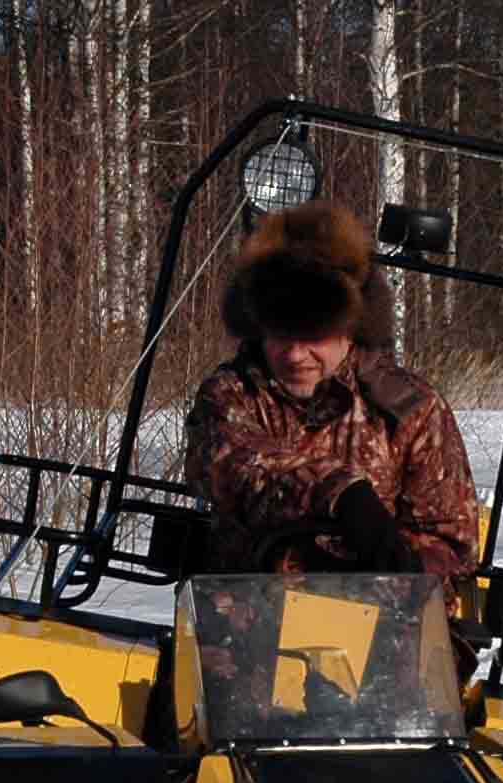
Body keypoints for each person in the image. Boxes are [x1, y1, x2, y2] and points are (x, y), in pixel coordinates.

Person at [183, 199, 478, 603]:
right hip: (246, 633)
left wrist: (379, 563)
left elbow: (453, 547)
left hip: (379, 636)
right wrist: (341, 494)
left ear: (351, 327)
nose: (295, 354)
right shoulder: (232, 394)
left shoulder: (411, 409)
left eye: (313, 335)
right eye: (282, 335)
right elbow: (227, 462)